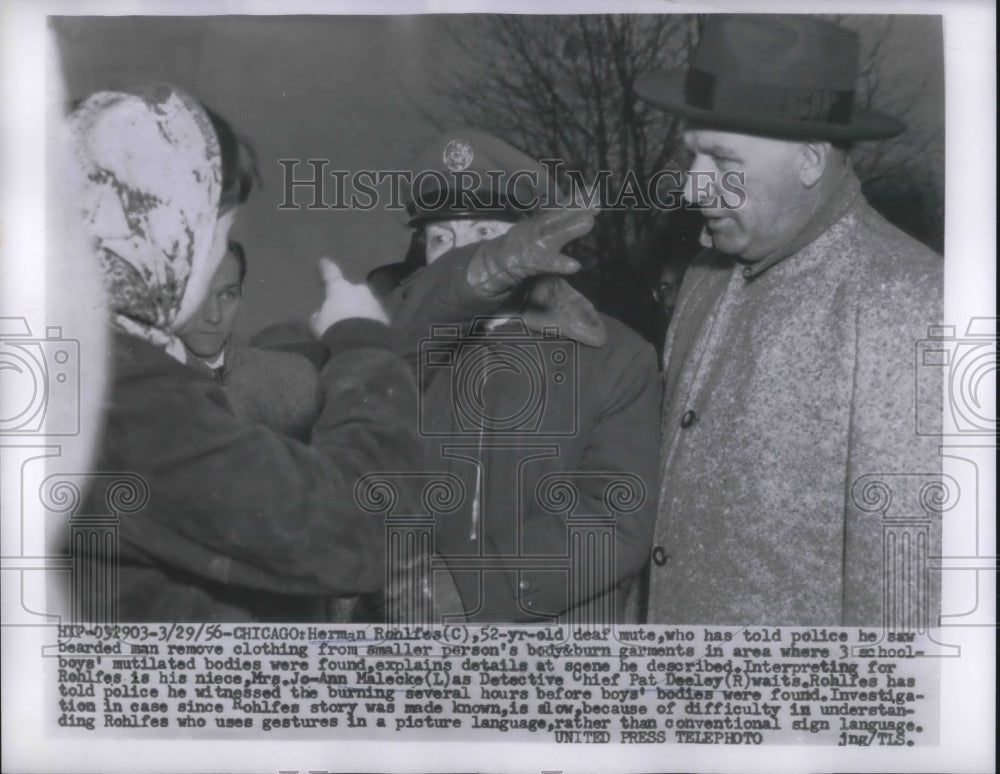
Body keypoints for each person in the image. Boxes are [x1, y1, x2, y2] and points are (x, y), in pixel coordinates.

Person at [69, 82, 423, 622]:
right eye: (212, 236)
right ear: (160, 230)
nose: (209, 269)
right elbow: (357, 532)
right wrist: (362, 344)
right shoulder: (123, 397)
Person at [634, 15, 942, 625]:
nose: (695, 188)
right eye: (692, 154)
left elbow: (904, 595)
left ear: (808, 161)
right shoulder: (704, 274)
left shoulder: (908, 299)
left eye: (723, 161)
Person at [374, 130, 660, 624]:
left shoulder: (615, 357)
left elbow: (615, 515)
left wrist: (474, 584)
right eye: (443, 238)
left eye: (485, 235)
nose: (461, 258)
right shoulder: (396, 351)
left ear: (534, 241)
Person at [178, 240, 320, 439]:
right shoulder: (137, 388)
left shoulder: (298, 380)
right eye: (197, 295)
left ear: (242, 294)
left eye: (228, 294)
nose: (214, 316)